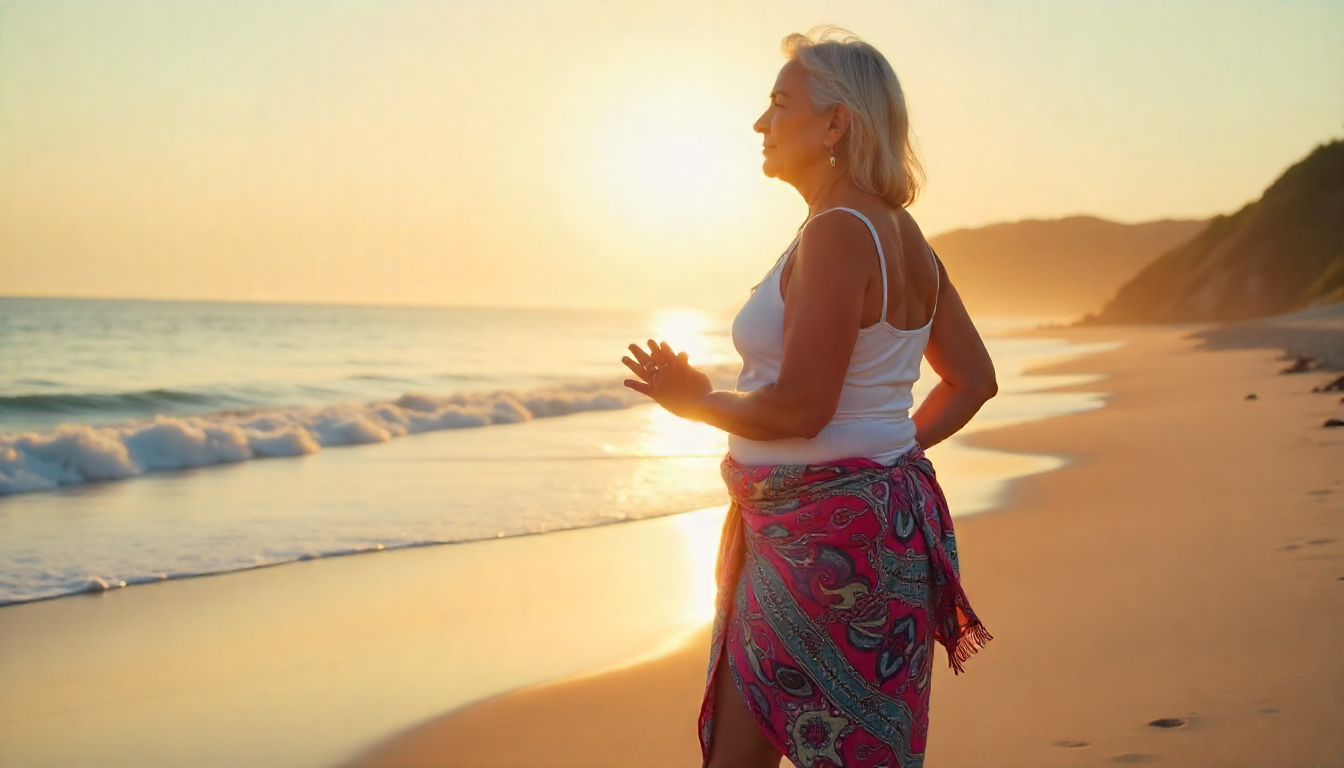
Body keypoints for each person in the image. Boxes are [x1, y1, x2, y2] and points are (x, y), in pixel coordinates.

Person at [621, 26, 997, 768]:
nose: (761, 123)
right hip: (871, 526)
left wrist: (694, 399)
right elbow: (973, 381)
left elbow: (800, 410)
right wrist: (885, 459)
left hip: (821, 543)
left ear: (835, 123)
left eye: (779, 103)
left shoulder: (837, 232)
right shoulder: (903, 234)